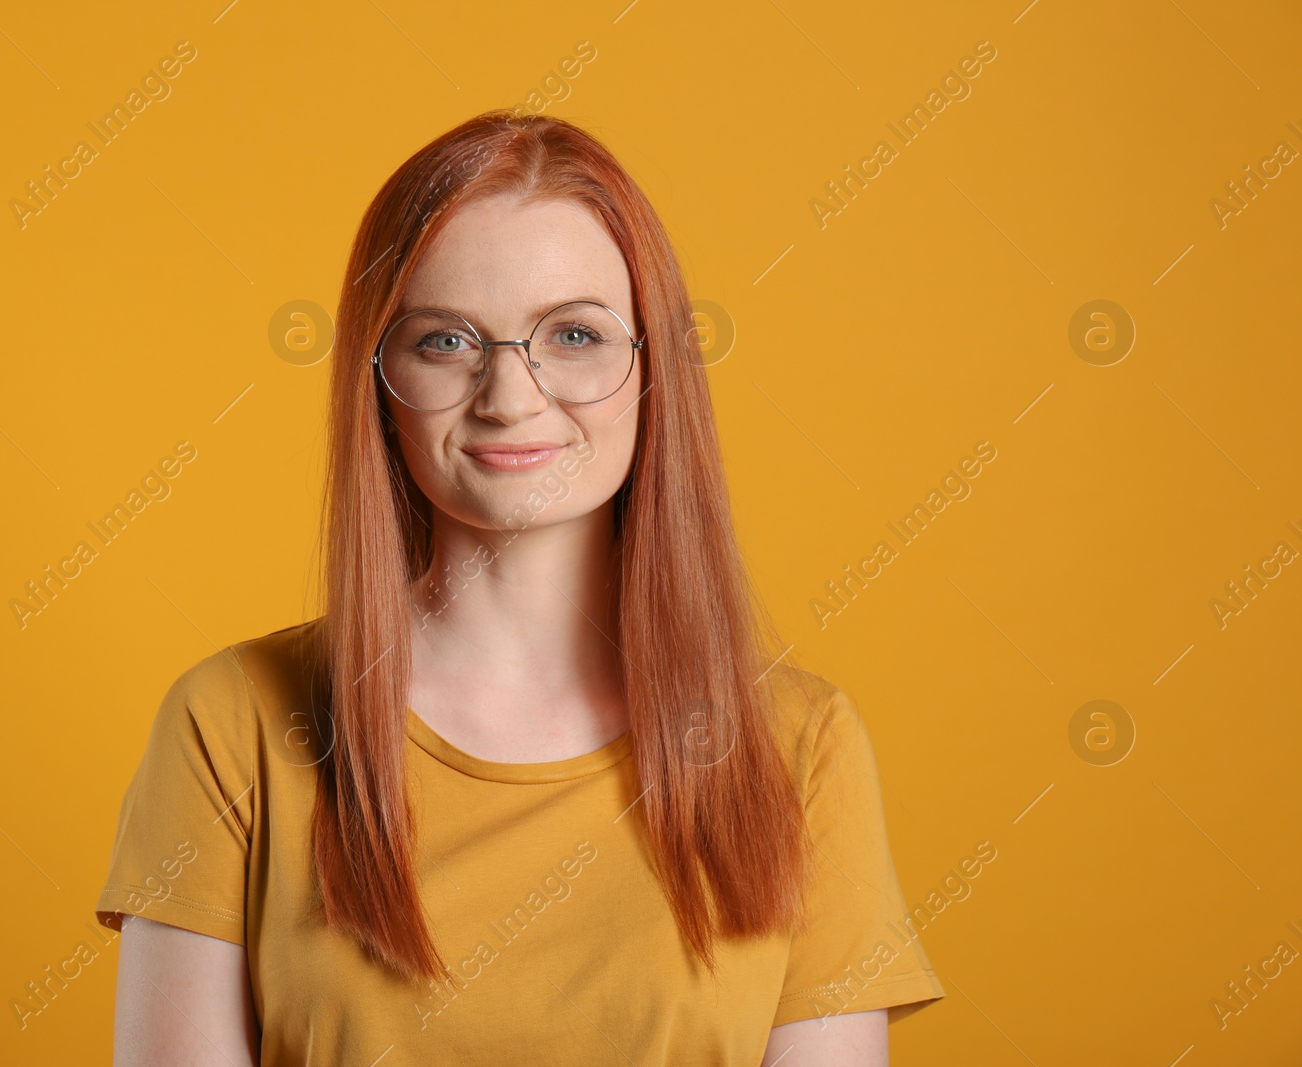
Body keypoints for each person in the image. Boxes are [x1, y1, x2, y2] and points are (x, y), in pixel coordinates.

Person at [95, 109, 945, 1065]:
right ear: (376, 382)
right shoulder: (234, 723)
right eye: (446, 342)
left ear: (652, 367)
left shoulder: (801, 750)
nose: (510, 396)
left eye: (574, 334)